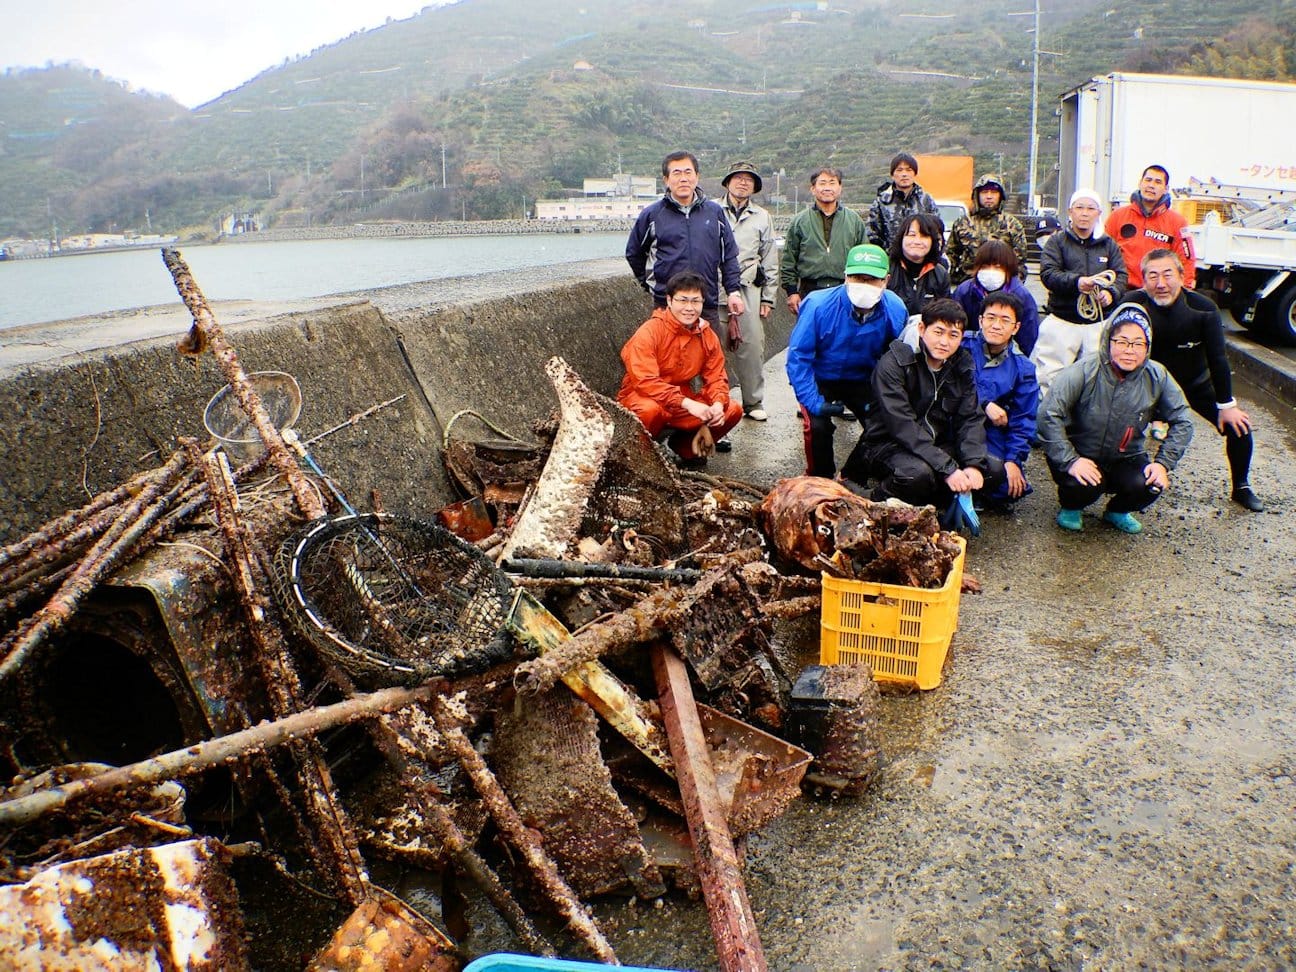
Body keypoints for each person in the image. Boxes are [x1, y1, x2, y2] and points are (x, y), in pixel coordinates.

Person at [1125, 248, 1263, 511]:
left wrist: (1227, 405)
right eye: (1152, 276)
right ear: (1143, 281)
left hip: (1194, 385)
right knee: (1106, 425)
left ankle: (1241, 487)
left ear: (1181, 276)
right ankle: (1119, 480)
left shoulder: (1202, 308)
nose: (1161, 284)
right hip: (1146, 387)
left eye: (1167, 275)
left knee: (1239, 427)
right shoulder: (1132, 304)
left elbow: (1218, 358)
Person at [1037, 303, 1193, 534]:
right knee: (1083, 484)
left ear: (1147, 346)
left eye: (1138, 343)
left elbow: (1183, 420)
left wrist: (1162, 463)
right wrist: (1070, 460)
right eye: (1121, 341)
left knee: (1150, 485)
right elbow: (1048, 414)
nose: (1129, 350)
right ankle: (1071, 506)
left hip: (1127, 456)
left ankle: (1117, 511)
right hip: (1082, 452)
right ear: (1108, 341)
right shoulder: (1083, 370)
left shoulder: (1157, 375)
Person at [846, 298, 1005, 509]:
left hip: (933, 444)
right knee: (916, 476)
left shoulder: (961, 364)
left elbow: (970, 418)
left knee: (993, 470)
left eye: (953, 335)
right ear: (922, 328)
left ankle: (927, 505)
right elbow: (902, 425)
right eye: (938, 332)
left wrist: (973, 464)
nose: (944, 342)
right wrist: (947, 468)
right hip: (885, 444)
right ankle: (865, 499)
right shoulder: (894, 363)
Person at [785, 244, 907, 478]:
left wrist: (885, 395)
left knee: (882, 422)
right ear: (845, 276)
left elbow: (894, 358)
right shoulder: (818, 305)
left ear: (886, 280)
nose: (864, 285)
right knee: (818, 427)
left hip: (863, 379)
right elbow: (799, 358)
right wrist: (813, 401)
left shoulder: (895, 308)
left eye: (872, 280)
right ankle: (819, 477)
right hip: (821, 376)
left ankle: (852, 475)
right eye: (857, 277)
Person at [617, 270, 744, 464]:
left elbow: (717, 377)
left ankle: (686, 450)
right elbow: (645, 382)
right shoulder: (649, 332)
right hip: (643, 397)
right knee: (649, 409)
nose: (689, 308)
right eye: (683, 300)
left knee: (731, 409)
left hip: (681, 402)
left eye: (695, 301)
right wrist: (688, 404)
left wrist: (717, 403)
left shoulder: (707, 335)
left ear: (703, 303)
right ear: (669, 301)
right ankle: (636, 459)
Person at [625, 151, 745, 326]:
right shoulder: (652, 215)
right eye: (677, 173)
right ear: (666, 180)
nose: (683, 178)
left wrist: (733, 292)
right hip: (667, 306)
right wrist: (652, 285)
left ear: (697, 177)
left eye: (688, 172)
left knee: (711, 352)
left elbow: (729, 255)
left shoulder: (715, 212)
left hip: (706, 303)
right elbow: (634, 253)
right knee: (667, 353)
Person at [1031, 189, 1128, 398]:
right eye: (1080, 208)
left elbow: (1121, 276)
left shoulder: (1109, 245)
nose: (1085, 213)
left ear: (1099, 213)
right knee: (1050, 376)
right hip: (1062, 319)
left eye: (1090, 208)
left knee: (1097, 377)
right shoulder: (1057, 242)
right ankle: (1049, 420)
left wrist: (1110, 293)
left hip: (1097, 322)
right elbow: (1048, 274)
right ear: (1070, 212)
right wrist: (1077, 282)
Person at [717, 161, 780, 423]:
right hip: (715, 287)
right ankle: (716, 402)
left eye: (749, 179)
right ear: (728, 182)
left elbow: (770, 259)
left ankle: (752, 401)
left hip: (749, 289)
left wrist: (768, 297)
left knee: (752, 347)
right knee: (712, 348)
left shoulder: (763, 217)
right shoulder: (711, 210)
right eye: (738, 178)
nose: (743, 182)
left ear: (754, 186)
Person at [964, 292, 1039, 509]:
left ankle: (977, 493)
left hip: (990, 432)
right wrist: (985, 402)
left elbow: (1024, 419)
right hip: (954, 423)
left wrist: (1012, 459)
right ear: (980, 320)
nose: (996, 325)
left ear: (1015, 328)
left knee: (1008, 485)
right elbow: (954, 386)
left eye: (1005, 320)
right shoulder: (961, 346)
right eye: (991, 318)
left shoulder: (1023, 368)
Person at [779, 166, 867, 316]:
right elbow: (789, 259)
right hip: (809, 290)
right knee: (810, 336)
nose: (827, 188)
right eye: (822, 183)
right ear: (813, 189)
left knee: (843, 337)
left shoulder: (854, 221)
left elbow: (863, 256)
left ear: (840, 188)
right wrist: (791, 292)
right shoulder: (800, 221)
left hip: (845, 290)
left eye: (832, 183)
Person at [1105, 164, 1196, 291]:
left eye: (1158, 182)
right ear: (1140, 183)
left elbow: (1186, 260)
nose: (1151, 185)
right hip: (1122, 290)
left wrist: (1184, 291)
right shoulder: (1117, 217)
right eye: (1148, 180)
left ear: (1166, 188)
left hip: (1159, 292)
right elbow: (1102, 253)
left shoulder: (1177, 222)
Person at [951, 240, 1040, 355]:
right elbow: (953, 329)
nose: (991, 271)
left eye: (997, 267)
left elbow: (1029, 340)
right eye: (985, 266)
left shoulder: (1022, 297)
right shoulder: (964, 291)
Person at [946, 173, 1029, 285]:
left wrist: (1013, 286)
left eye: (994, 192)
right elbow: (951, 255)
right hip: (968, 283)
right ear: (977, 195)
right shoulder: (963, 223)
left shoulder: (1012, 224)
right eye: (984, 192)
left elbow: (1020, 261)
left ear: (1001, 196)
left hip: (1002, 284)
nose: (989, 196)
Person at [866, 152, 940, 251]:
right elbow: (872, 235)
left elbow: (936, 232)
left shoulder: (926, 200)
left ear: (915, 174)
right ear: (892, 175)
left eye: (909, 170)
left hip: (920, 258)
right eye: (899, 170)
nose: (904, 174)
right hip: (891, 260)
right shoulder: (882, 202)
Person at [886, 212, 950, 319]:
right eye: (912, 235)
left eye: (924, 236)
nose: (917, 241)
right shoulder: (886, 269)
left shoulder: (940, 274)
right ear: (901, 238)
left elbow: (944, 314)